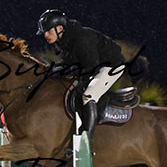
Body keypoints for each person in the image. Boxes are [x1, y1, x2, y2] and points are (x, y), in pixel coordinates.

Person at [37, 9, 125, 138]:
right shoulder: (64, 40)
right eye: (44, 32)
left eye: (48, 31)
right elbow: (69, 61)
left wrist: (66, 71)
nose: (46, 35)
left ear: (60, 28)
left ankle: (86, 139)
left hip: (111, 66)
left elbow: (92, 67)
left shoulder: (82, 39)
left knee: (88, 95)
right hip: (95, 64)